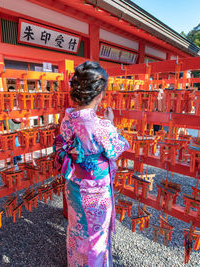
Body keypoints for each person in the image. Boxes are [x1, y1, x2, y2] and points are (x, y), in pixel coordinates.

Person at [54, 61, 130, 266]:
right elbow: (117, 148)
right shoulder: (101, 126)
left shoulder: (67, 119)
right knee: (95, 238)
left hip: (73, 185)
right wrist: (112, 124)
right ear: (99, 95)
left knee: (77, 229)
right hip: (94, 191)